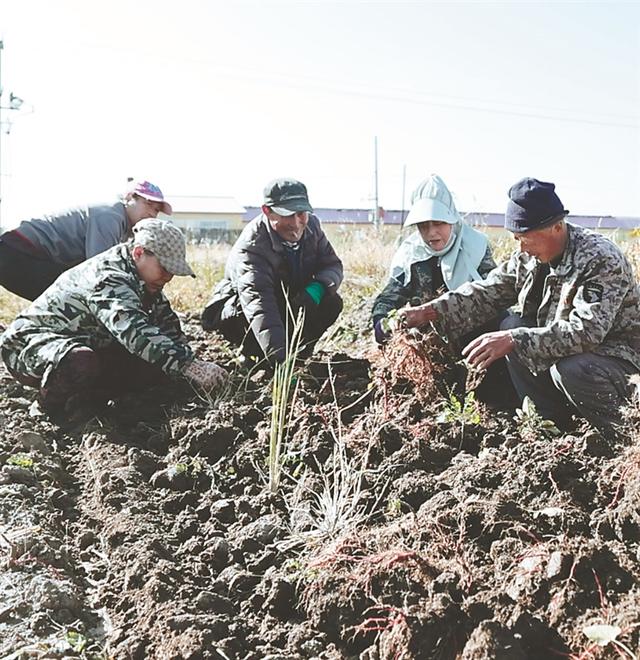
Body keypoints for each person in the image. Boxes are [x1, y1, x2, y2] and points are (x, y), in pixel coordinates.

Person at [400, 177, 640, 434]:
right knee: (512, 325)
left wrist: (515, 339)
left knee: (566, 365)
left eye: (526, 238)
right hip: (572, 353)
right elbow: (488, 291)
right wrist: (431, 311)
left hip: (618, 359)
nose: (522, 248)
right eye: (517, 239)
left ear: (556, 228)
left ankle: (622, 437)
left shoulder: (599, 259)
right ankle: (550, 424)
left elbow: (587, 333)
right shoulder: (529, 257)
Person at [0, 218, 227, 423]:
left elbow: (167, 328)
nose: (169, 277)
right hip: (28, 345)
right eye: (164, 268)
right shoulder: (109, 277)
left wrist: (190, 368)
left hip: (83, 341)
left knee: (153, 366)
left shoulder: (144, 281)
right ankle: (48, 407)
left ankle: (86, 398)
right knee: (82, 361)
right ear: (138, 253)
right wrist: (190, 366)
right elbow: (134, 332)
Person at [201, 178, 343, 364]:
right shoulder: (252, 246)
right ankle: (255, 356)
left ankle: (299, 354)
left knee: (331, 302)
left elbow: (332, 265)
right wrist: (281, 364)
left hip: (288, 298)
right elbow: (260, 307)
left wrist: (317, 288)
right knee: (247, 315)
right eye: (286, 214)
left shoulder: (312, 227)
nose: (295, 223)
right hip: (245, 311)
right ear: (267, 211)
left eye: (300, 213)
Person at [372, 174, 496, 345]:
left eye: (438, 223)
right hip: (429, 338)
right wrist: (384, 324)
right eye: (423, 226)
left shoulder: (475, 246)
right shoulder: (410, 254)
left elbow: (494, 293)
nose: (431, 233)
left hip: (473, 334)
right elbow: (388, 298)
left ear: (451, 220)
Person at [0, 180, 172, 301]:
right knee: (67, 301)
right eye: (148, 204)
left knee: (68, 299)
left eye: (157, 210)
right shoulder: (110, 216)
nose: (152, 213)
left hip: (24, 253)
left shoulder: (125, 227)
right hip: (19, 252)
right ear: (129, 198)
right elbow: (100, 271)